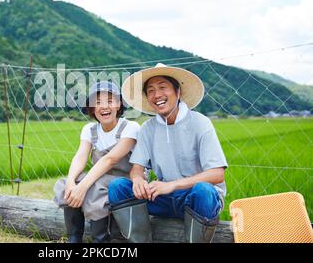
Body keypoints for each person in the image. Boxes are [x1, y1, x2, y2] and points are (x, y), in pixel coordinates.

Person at [108, 63, 228, 243]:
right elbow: (137, 168)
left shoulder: (200, 123)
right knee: (118, 186)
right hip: (163, 196)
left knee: (204, 190)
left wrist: (173, 185)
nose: (157, 95)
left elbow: (217, 174)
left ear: (178, 92)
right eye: (150, 90)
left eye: (163, 87)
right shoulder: (148, 128)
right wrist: (138, 180)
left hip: (195, 199)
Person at [54, 81, 140, 243]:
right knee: (66, 183)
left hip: (123, 180)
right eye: (97, 102)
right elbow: (81, 155)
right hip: (98, 176)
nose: (104, 106)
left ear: (118, 104)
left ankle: (100, 240)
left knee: (93, 188)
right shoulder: (89, 129)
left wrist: (83, 187)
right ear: (92, 107)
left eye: (109, 101)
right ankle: (74, 237)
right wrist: (72, 182)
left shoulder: (130, 127)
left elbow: (110, 159)